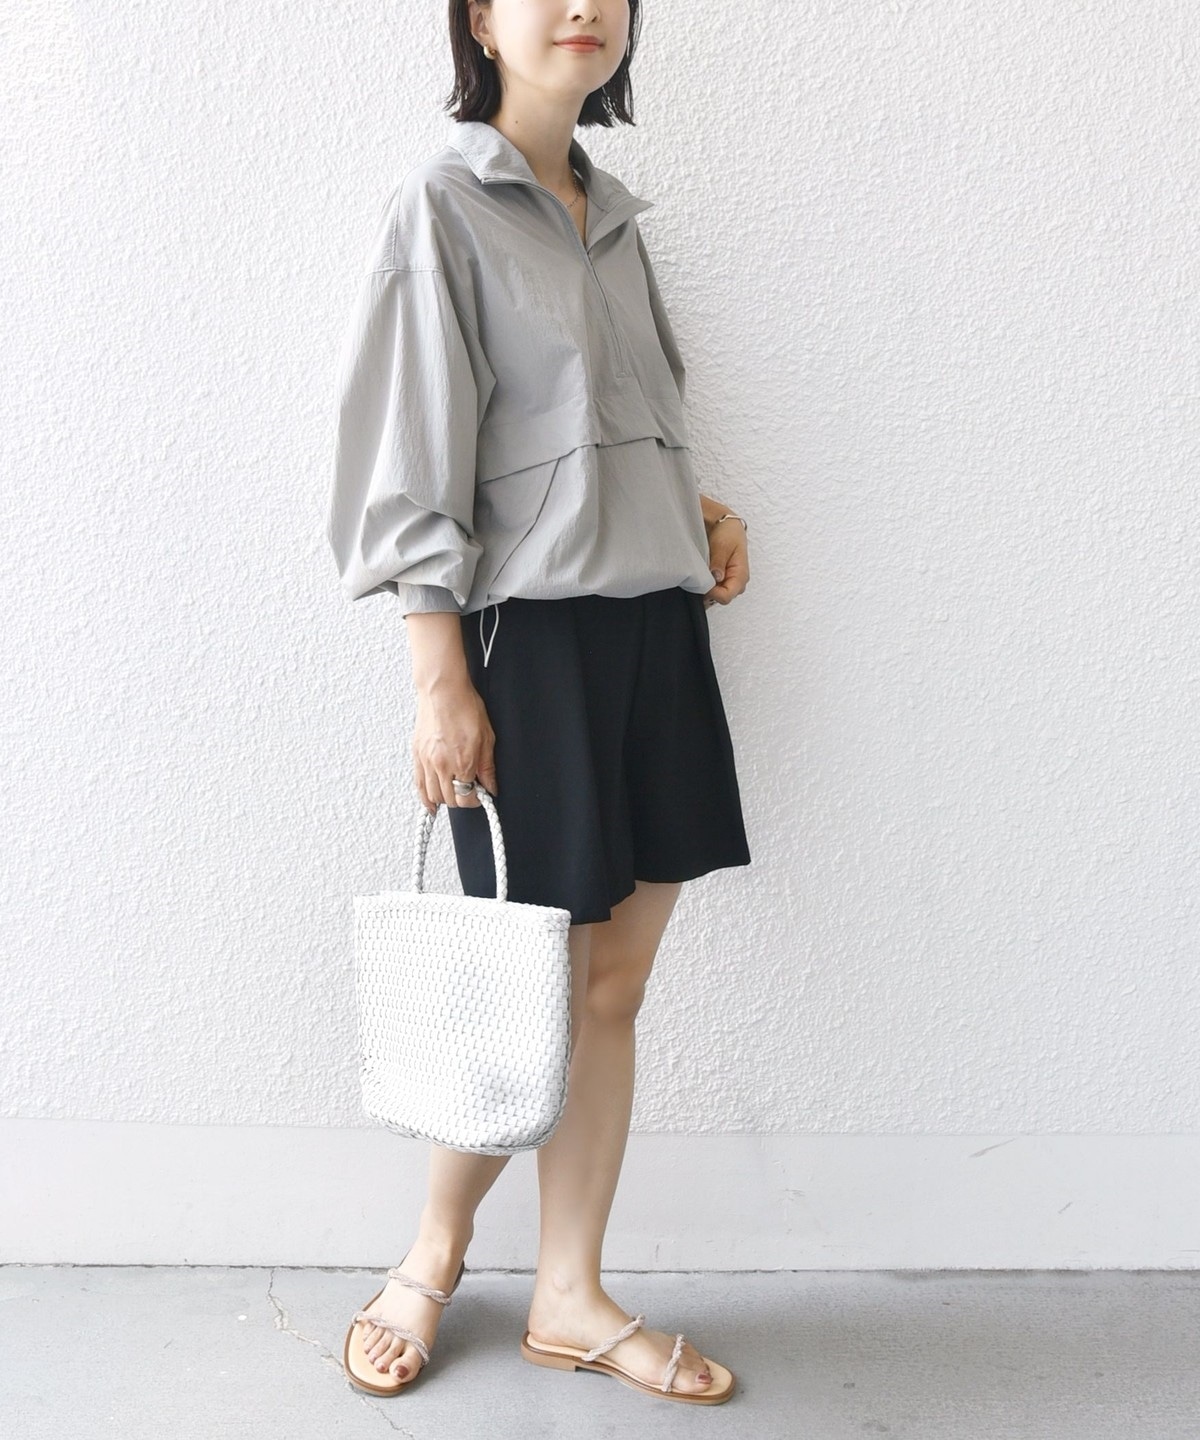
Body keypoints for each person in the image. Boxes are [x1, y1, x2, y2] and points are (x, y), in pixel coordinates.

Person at [326, 0, 752, 1408]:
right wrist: (438, 677)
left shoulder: (612, 214)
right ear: (478, 20)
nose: (583, 8)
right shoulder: (443, 208)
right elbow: (416, 458)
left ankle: (571, 1295)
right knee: (525, 993)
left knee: (615, 984)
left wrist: (696, 513)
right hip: (529, 641)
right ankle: (431, 1258)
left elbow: (592, 431)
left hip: (654, 628)